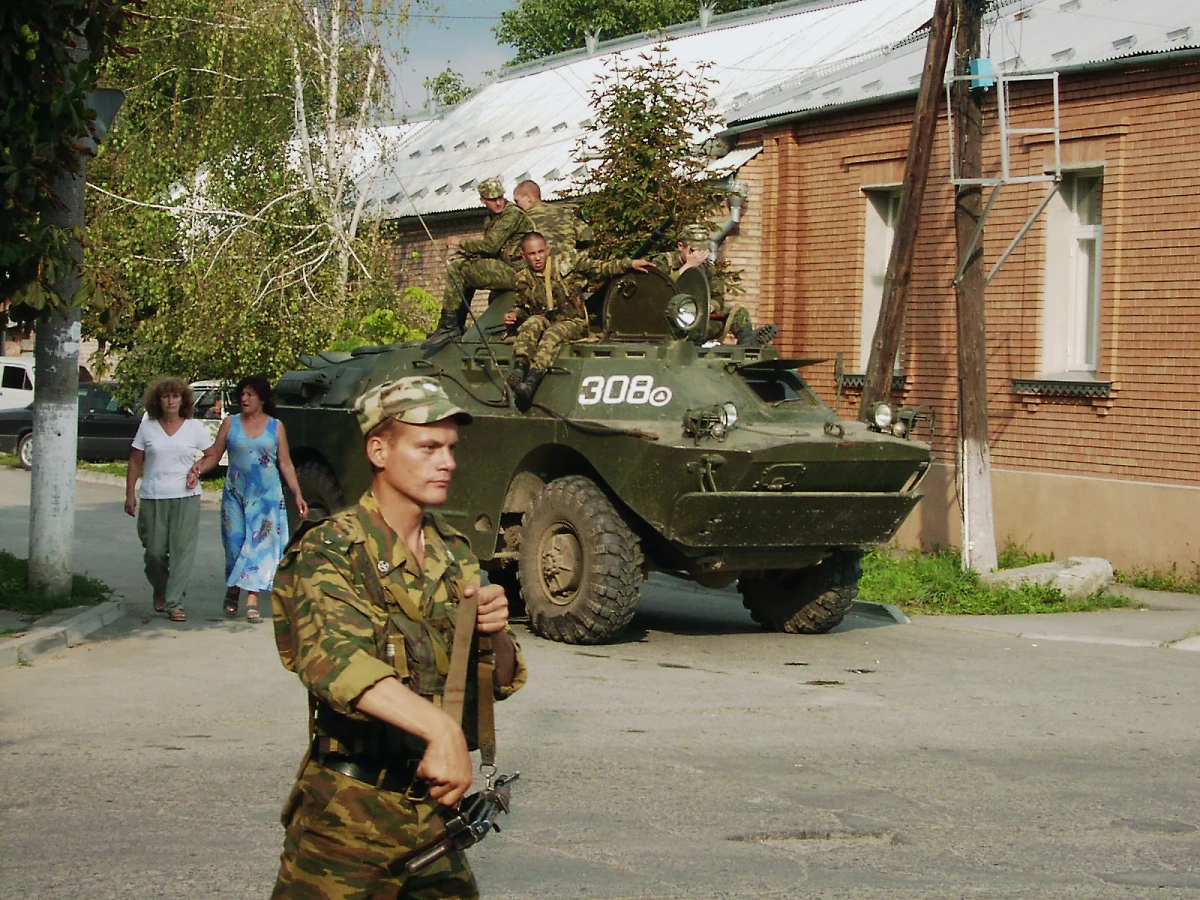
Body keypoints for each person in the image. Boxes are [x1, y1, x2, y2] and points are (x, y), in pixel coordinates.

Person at [270, 376, 527, 899]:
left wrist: (495, 633)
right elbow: (334, 662)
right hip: (346, 821)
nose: (447, 462)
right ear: (379, 450)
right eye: (428, 447)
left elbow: (499, 680)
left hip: (432, 816)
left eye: (451, 448)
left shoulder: (454, 552)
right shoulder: (331, 550)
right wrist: (442, 731)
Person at [193, 375, 307, 624]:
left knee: (259, 547)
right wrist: (197, 470)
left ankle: (252, 600)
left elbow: (285, 464)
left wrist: (297, 494)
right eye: (242, 394)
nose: (244, 399)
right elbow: (215, 455)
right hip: (236, 494)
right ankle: (234, 587)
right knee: (234, 544)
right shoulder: (230, 423)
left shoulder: (275, 427)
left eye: (250, 394)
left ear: (262, 398)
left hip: (266, 498)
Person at [505, 232, 653, 411]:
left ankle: (531, 381)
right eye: (532, 254)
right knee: (532, 323)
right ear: (524, 256)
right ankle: (520, 367)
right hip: (546, 319)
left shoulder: (566, 264)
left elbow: (600, 268)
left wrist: (629, 263)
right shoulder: (522, 278)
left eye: (540, 252)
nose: (537, 258)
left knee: (552, 334)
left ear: (547, 250)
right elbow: (522, 306)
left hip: (574, 322)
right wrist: (514, 314)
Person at [125, 377, 214, 623]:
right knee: (154, 553)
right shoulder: (148, 426)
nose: (171, 401)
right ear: (158, 401)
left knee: (181, 552)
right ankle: (161, 587)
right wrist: (130, 493)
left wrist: (198, 469)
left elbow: (212, 455)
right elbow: (135, 460)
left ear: (183, 400)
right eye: (166, 397)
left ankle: (174, 602)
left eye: (175, 396)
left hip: (186, 497)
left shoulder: (193, 427)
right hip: (153, 496)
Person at [423, 177, 534, 349]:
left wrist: (460, 242)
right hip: (509, 267)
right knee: (462, 266)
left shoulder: (511, 214)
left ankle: (449, 326)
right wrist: (465, 254)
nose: (498, 202)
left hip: (519, 272)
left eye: (500, 197)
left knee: (459, 270)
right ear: (483, 200)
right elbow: (490, 251)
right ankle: (455, 325)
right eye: (492, 199)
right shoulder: (492, 219)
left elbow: (490, 246)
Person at [653, 223, 778, 346]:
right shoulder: (664, 262)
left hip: (699, 320)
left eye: (703, 250)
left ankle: (747, 342)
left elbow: (718, 296)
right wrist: (687, 267)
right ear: (681, 246)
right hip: (669, 322)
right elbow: (657, 291)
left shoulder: (706, 267)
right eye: (693, 250)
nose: (698, 255)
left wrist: (711, 306)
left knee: (738, 312)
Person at [512, 179, 592, 257]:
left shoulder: (524, 221)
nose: (516, 205)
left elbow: (515, 252)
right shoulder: (565, 212)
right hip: (571, 261)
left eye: (517, 201)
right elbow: (588, 235)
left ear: (528, 198)